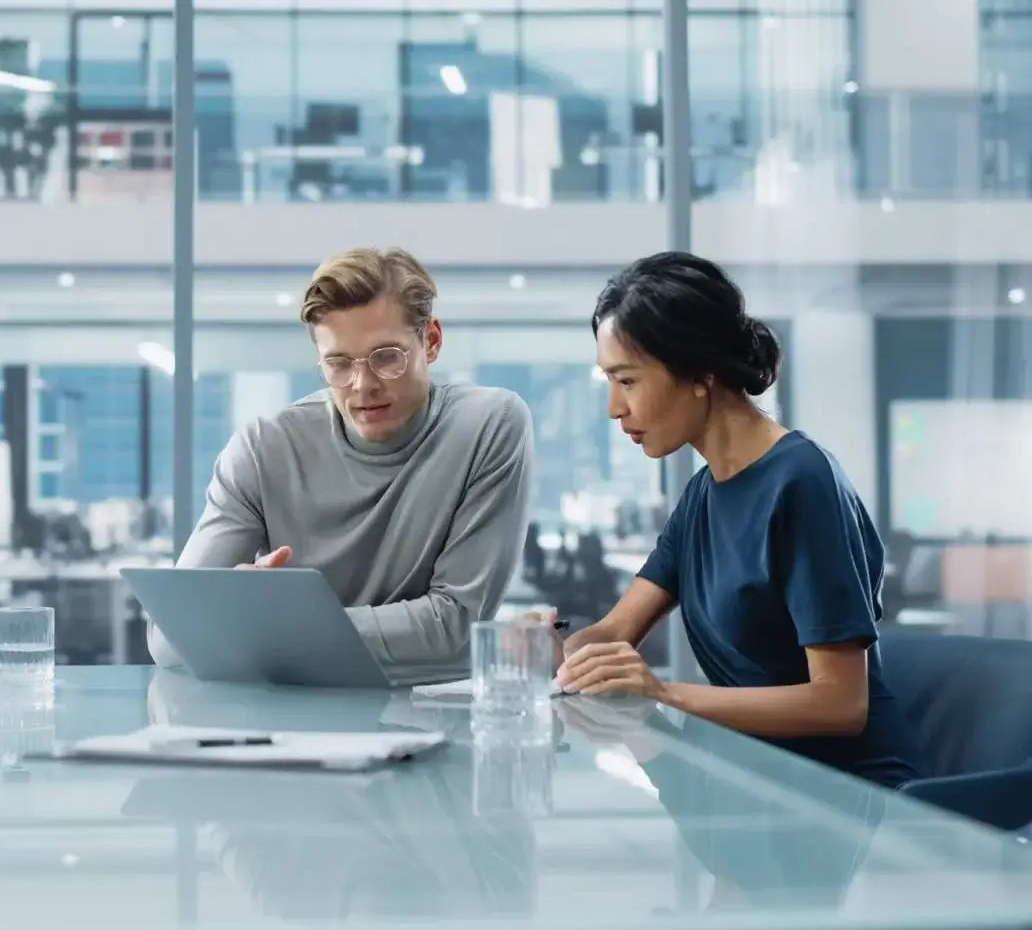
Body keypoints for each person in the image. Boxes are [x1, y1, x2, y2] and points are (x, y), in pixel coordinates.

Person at [550, 251, 920, 789]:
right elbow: (615, 632)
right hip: (757, 776)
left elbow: (841, 703)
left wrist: (664, 693)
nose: (613, 407)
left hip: (850, 795)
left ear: (700, 373)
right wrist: (559, 648)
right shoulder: (704, 493)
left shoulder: (801, 483)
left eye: (626, 381)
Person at [148, 248, 535, 670]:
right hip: (288, 721)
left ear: (432, 341)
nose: (362, 384)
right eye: (338, 364)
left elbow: (455, 626)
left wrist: (262, 628)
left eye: (387, 357)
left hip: (429, 714)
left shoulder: (489, 425)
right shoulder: (263, 449)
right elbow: (169, 638)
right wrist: (243, 614)